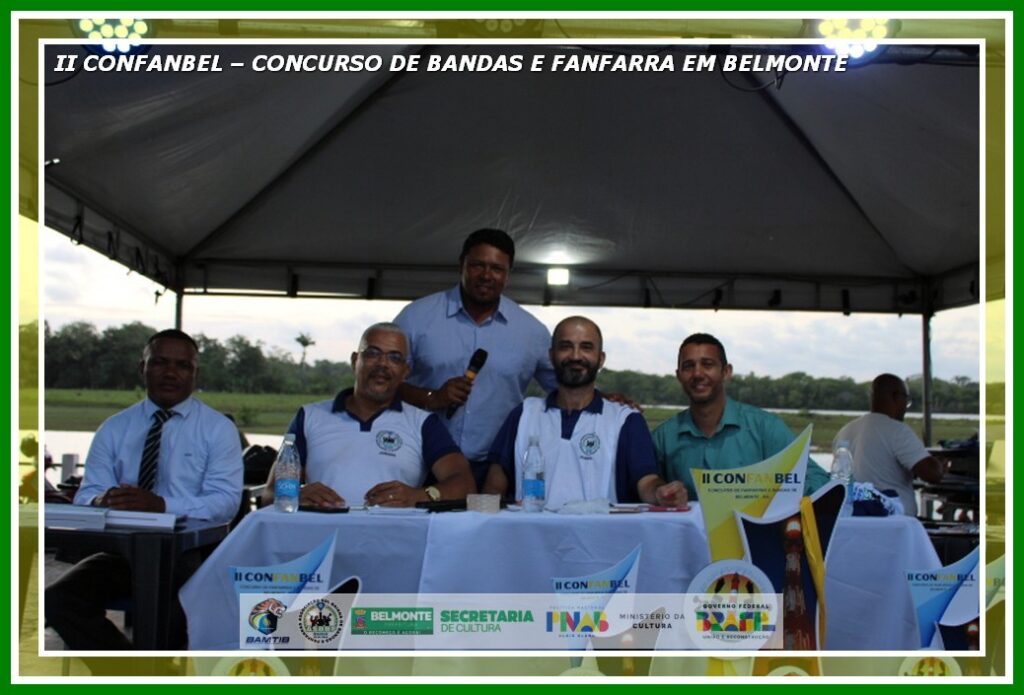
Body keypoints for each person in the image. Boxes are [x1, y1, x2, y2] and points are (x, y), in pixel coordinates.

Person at [45, 329, 243, 651]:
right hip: (123, 554)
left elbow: (225, 503)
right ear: (143, 368)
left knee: (172, 610)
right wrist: (102, 499)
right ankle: (129, 669)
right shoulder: (114, 427)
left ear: (195, 373)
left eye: (182, 365)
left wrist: (161, 505)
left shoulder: (218, 429)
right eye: (160, 362)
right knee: (58, 600)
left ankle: (157, 669)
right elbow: (85, 495)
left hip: (190, 555)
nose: (170, 372)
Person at [394, 228, 557, 489]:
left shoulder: (532, 331)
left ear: (508, 273)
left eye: (497, 268)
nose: (486, 275)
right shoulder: (416, 317)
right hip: (424, 462)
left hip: (497, 471)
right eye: (477, 265)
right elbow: (385, 385)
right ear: (462, 264)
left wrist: (608, 400)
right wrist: (431, 397)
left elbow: (567, 389)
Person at [263, 323, 475, 509]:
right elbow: (270, 494)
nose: (383, 364)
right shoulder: (310, 416)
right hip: (321, 537)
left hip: (394, 537)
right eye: (373, 353)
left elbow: (465, 483)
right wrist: (296, 495)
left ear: (405, 372)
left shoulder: (423, 423)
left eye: (394, 358)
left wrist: (419, 496)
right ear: (355, 360)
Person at [483, 316, 686, 509]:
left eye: (586, 347)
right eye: (566, 346)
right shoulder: (524, 414)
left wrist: (661, 493)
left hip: (600, 533)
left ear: (601, 359)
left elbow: (646, 481)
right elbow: (494, 485)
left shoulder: (626, 419)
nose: (575, 356)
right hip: (531, 532)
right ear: (551, 356)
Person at [653, 333, 830, 501]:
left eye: (707, 364)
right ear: (679, 375)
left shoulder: (765, 428)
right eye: (688, 366)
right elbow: (644, 484)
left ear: (726, 372)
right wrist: (661, 492)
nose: (697, 374)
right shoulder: (663, 437)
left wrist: (771, 493)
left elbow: (818, 479)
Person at [833, 373, 949, 516]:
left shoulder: (845, 431)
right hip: (892, 519)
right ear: (896, 396)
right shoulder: (897, 431)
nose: (906, 407)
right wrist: (940, 465)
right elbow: (932, 474)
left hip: (854, 517)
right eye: (906, 400)